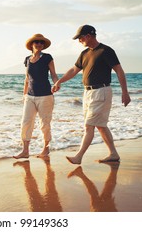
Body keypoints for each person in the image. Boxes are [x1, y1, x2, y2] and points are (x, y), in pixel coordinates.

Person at [52, 25, 131, 164]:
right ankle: (113, 153)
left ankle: (78, 157)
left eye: (80, 38)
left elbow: (119, 70)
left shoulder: (106, 50)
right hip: (87, 93)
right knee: (100, 125)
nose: (79, 41)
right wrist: (59, 81)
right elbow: (73, 70)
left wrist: (125, 92)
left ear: (88, 36)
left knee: (89, 125)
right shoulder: (84, 54)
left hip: (102, 91)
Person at [14, 34, 58, 159]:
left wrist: (56, 83)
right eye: (36, 42)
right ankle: (25, 151)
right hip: (30, 96)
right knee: (26, 122)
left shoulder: (47, 57)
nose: (39, 44)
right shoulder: (27, 59)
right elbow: (27, 79)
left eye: (41, 43)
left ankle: (46, 148)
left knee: (44, 124)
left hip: (45, 96)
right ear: (32, 45)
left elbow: (53, 74)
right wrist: (24, 94)